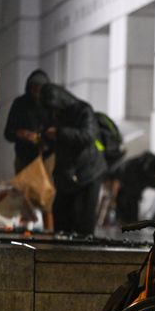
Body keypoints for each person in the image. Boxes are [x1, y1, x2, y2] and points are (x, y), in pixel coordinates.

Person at [39, 83, 107, 235]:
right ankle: (62, 254)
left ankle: (84, 255)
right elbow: (55, 143)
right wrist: (47, 136)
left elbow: (87, 136)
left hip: (88, 171)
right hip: (67, 171)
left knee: (84, 219)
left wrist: (59, 132)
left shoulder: (83, 110)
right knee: (62, 218)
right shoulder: (55, 114)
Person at [3, 69, 52, 173]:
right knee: (23, 188)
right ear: (30, 87)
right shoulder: (20, 104)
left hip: (46, 158)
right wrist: (20, 134)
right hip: (24, 159)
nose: (37, 92)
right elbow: (8, 133)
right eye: (34, 87)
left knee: (45, 188)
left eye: (40, 88)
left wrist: (44, 140)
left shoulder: (51, 105)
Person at [114, 152, 155, 224]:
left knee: (128, 200)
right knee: (130, 201)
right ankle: (129, 221)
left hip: (128, 179)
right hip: (130, 180)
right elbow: (147, 176)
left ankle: (126, 220)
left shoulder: (149, 160)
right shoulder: (152, 161)